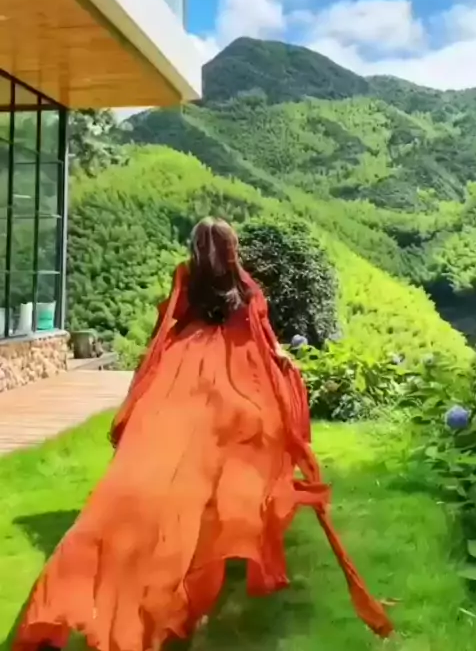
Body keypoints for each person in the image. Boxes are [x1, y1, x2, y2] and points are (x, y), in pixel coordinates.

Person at [13, 218, 393, 651]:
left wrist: (148, 377)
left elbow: (167, 328)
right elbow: (262, 335)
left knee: (167, 466)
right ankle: (196, 541)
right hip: (232, 371)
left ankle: (100, 573)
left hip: (183, 369)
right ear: (231, 249)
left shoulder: (187, 277)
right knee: (218, 458)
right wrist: (281, 361)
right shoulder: (243, 286)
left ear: (195, 248)